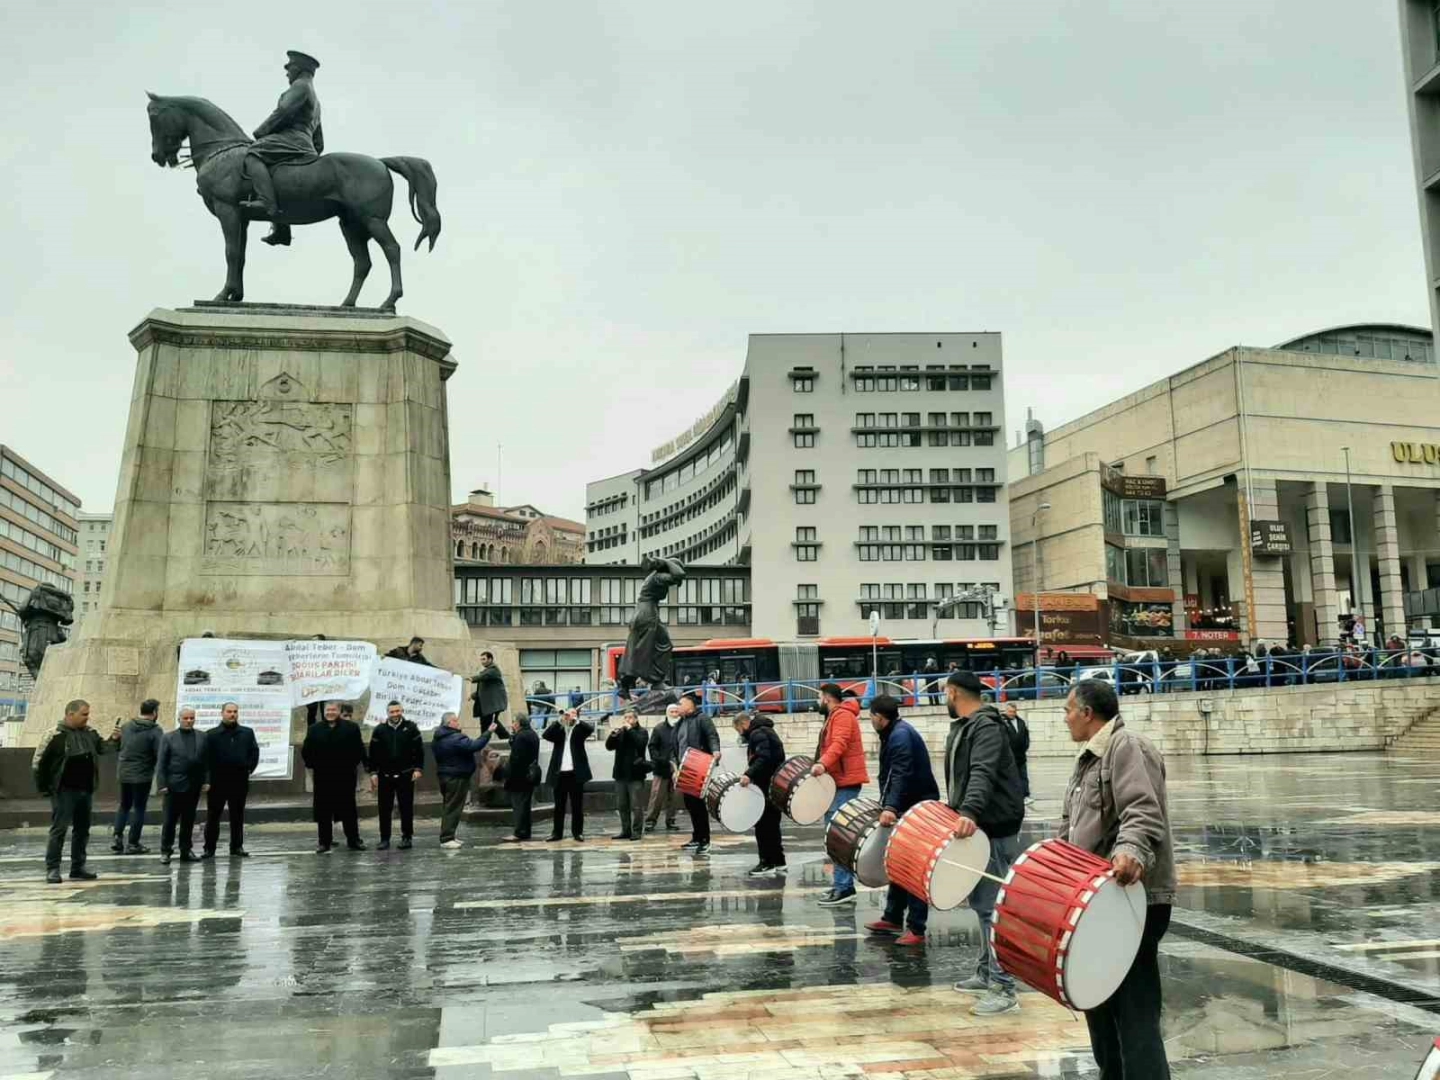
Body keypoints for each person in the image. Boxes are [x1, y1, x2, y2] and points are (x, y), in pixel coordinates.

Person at [1060, 680, 1176, 1079]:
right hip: (1095, 902)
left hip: (1132, 900)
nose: (1065, 719)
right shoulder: (1088, 759)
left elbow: (1142, 811)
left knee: (1134, 1008)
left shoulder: (1127, 747)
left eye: (1068, 710)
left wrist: (1130, 851)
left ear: (1087, 713)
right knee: (1098, 1001)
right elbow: (1071, 827)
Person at [945, 671, 1026, 1015]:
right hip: (983, 826)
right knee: (982, 904)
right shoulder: (971, 725)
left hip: (991, 826)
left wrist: (969, 811)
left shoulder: (986, 727)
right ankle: (986, 972)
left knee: (992, 908)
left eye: (945, 694)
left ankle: (1004, 988)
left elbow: (982, 771)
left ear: (952, 692)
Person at [864, 694, 940, 945]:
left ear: (879, 717)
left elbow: (900, 774)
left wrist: (891, 807)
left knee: (913, 867)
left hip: (916, 808)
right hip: (908, 804)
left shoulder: (900, 736)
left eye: (871, 716)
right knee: (897, 862)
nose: (870, 720)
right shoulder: (894, 732)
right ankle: (893, 917)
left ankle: (917, 928)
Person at [239, 49, 323, 247]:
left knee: (253, 154)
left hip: (292, 139)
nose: (287, 72)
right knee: (275, 172)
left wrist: (260, 132)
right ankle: (282, 230)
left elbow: (283, 111)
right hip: (305, 144)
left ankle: (266, 203)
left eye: (289, 68)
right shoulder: (316, 99)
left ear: (298, 69)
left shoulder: (300, 86)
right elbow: (319, 141)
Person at [32, 700, 120, 883]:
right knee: (59, 829)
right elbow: (39, 763)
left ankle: (78, 867)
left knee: (82, 829)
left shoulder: (90, 733)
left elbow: (103, 748)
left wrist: (114, 739)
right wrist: (45, 788)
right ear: (70, 714)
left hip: (85, 789)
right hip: (63, 791)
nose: (87, 718)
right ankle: (53, 868)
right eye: (84, 714)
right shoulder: (55, 735)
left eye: (88, 714)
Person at [811, 683, 870, 906]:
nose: (817, 702)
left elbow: (839, 744)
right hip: (837, 782)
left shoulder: (843, 716)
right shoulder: (835, 716)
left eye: (819, 697)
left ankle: (844, 887)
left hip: (845, 782)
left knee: (840, 836)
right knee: (834, 836)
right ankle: (840, 884)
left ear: (827, 698)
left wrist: (822, 765)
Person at [301, 700, 367, 853]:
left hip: (345, 776)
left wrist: (350, 765)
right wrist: (314, 765)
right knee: (323, 811)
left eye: (333, 710)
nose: (330, 713)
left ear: (338, 711)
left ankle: (353, 840)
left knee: (349, 810)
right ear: (324, 712)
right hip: (323, 777)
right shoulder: (314, 729)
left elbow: (359, 749)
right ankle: (324, 842)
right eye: (328, 710)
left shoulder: (351, 728)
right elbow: (306, 751)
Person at [617, 556, 686, 698]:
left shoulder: (654, 577)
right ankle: (656, 681)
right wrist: (665, 561)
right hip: (647, 614)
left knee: (639, 649)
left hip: (644, 612)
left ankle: (626, 684)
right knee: (652, 648)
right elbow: (679, 574)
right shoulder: (658, 577)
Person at [201, 701, 259, 859]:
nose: (232, 714)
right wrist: (207, 780)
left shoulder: (247, 733)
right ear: (222, 713)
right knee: (213, 815)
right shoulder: (211, 734)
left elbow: (254, 752)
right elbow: (206, 759)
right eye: (229, 711)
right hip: (217, 781)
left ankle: (237, 846)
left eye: (235, 711)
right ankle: (209, 848)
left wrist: (249, 768)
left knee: (237, 815)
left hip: (239, 780)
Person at [733, 711, 786, 876]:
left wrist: (749, 774)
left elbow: (763, 758)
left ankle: (766, 862)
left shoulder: (757, 734)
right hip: (775, 783)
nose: (740, 734)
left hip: (765, 784)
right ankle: (779, 860)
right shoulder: (766, 730)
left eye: (738, 730)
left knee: (763, 825)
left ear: (743, 724)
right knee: (773, 824)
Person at [367, 700, 424, 851]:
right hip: (385, 775)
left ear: (402, 711)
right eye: (392, 712)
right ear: (387, 713)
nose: (395, 714)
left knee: (406, 807)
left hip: (405, 774)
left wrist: (418, 769)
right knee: (384, 809)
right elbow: (373, 754)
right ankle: (384, 838)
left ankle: (407, 837)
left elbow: (419, 750)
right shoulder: (379, 730)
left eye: (397, 711)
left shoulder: (411, 728)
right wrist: (373, 773)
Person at [156, 707, 208, 866]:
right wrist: (162, 784)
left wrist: (206, 781)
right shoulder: (169, 737)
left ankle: (186, 850)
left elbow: (206, 761)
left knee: (189, 820)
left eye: (192, 718)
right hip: (173, 785)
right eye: (186, 718)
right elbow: (161, 763)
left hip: (194, 785)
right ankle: (166, 851)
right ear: (179, 719)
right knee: (169, 821)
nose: (189, 721)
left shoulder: (202, 736)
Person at [112, 698, 164, 854]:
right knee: (139, 807)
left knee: (124, 805)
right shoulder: (155, 730)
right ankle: (133, 843)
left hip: (124, 772)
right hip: (142, 774)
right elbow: (159, 753)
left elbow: (119, 746)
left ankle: (117, 836)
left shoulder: (126, 726)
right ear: (154, 712)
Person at [432, 712, 491, 848]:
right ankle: (447, 838)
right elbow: (474, 746)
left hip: (445, 775)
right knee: (453, 807)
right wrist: (488, 733)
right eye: (456, 721)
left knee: (449, 806)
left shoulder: (438, 738)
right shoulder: (455, 738)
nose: (458, 723)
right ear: (449, 723)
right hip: (456, 777)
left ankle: (450, 836)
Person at [675, 692, 720, 854]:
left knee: (698, 805)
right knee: (690, 805)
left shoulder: (702, 719)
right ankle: (696, 837)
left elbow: (712, 736)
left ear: (690, 705)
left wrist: (715, 750)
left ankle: (704, 839)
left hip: (698, 766)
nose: (678, 706)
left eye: (681, 703)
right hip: (685, 768)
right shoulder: (681, 722)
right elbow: (676, 745)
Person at [544, 708, 595, 841]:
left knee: (577, 805)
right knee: (559, 805)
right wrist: (559, 720)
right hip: (559, 773)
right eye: (568, 713)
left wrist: (576, 720)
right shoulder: (560, 729)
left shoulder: (579, 730)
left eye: (573, 713)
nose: (569, 715)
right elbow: (546, 735)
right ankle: (557, 833)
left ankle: (577, 832)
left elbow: (590, 729)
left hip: (575, 773)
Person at [492, 713, 540, 842]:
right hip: (530, 775)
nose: (512, 724)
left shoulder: (521, 737)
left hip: (519, 777)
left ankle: (520, 832)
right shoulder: (532, 734)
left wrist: (504, 773)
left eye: (514, 722)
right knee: (525, 805)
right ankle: (525, 831)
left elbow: (515, 759)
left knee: (519, 806)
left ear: (518, 723)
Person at [605, 710, 651, 840]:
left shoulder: (642, 732)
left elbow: (640, 744)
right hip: (620, 774)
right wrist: (612, 735)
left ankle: (637, 831)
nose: (627, 720)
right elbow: (609, 747)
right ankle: (625, 830)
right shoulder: (621, 732)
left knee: (636, 805)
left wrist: (630, 730)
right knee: (622, 805)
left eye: (630, 717)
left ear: (636, 719)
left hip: (635, 773)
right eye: (625, 717)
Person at [644, 704, 683, 833]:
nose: (674, 714)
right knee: (656, 796)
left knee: (674, 796)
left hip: (678, 768)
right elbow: (652, 746)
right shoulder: (659, 728)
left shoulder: (683, 728)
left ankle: (671, 820)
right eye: (672, 712)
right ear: (667, 713)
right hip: (662, 768)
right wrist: (659, 759)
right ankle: (650, 820)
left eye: (676, 711)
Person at [1002, 702, 1033, 807]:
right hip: (1009, 757)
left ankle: (1025, 795)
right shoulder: (1003, 723)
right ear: (1006, 711)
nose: (1012, 713)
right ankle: (1012, 797)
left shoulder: (1021, 722)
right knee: (1011, 778)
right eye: (1010, 711)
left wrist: (1025, 747)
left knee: (1023, 776)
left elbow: (1026, 736)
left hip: (1021, 756)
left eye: (1014, 712)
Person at [470, 651, 509, 731]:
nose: (482, 662)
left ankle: (504, 736)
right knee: (490, 723)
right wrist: (472, 695)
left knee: (489, 723)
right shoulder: (487, 671)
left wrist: (471, 679)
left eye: (484, 659)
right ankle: (505, 736)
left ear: (490, 659)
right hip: (488, 705)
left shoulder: (493, 670)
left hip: (493, 705)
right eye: (481, 659)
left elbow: (483, 676)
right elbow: (484, 689)